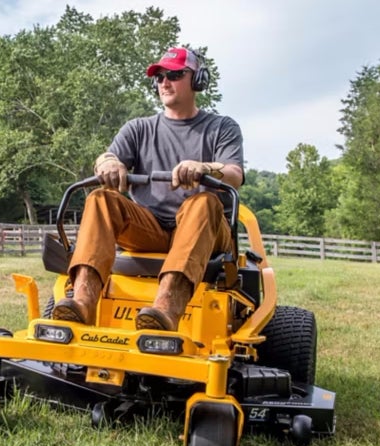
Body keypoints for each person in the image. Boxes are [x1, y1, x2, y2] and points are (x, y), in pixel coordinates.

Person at [51, 46, 245, 331]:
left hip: (204, 230)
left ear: (198, 80)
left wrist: (204, 168)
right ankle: (81, 302)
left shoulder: (222, 127)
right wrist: (108, 164)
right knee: (101, 199)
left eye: (175, 74)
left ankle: (165, 310)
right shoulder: (138, 128)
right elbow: (107, 157)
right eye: (159, 76)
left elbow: (235, 174)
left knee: (202, 202)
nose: (164, 82)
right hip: (150, 229)